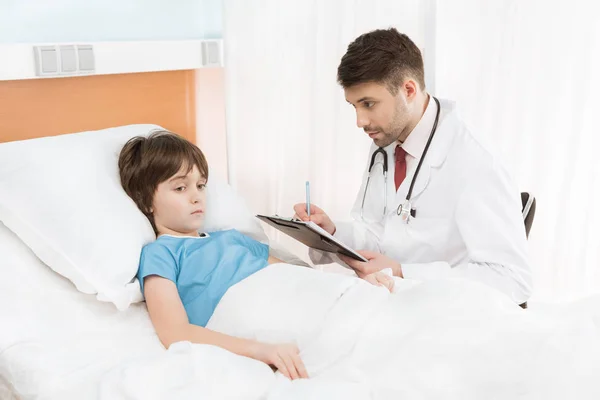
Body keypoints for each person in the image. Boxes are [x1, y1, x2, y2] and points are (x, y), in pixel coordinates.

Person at [118, 131, 392, 381]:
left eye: (200, 185)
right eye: (180, 188)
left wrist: (352, 285)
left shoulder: (232, 238)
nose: (196, 197)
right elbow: (175, 333)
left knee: (373, 313)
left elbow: (293, 277)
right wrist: (259, 350)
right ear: (145, 201)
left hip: (294, 298)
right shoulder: (160, 253)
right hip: (248, 316)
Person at [294, 28, 532, 306]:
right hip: (393, 303)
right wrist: (333, 233)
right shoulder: (386, 140)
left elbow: (512, 280)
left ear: (408, 90)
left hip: (449, 316)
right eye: (354, 106)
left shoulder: (474, 161)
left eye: (368, 104)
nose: (360, 120)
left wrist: (404, 273)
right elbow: (380, 233)